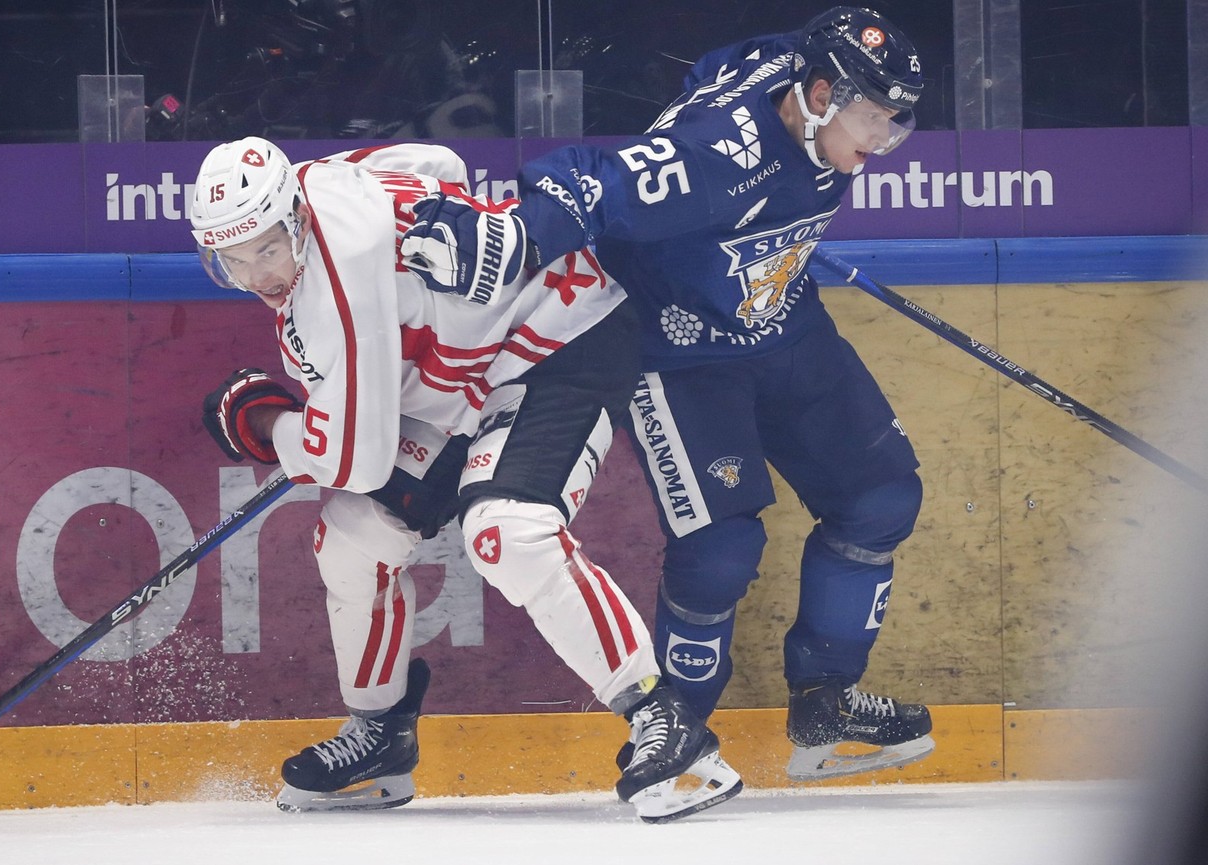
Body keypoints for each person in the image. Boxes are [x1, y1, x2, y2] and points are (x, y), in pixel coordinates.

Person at [399, 7, 934, 781]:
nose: (881, 142)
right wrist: (517, 230)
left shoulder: (795, 68)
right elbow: (593, 179)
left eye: (894, 124)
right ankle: (673, 728)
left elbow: (716, 64)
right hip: (680, 354)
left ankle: (827, 699)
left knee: (883, 498)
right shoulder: (720, 158)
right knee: (720, 550)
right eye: (871, 120)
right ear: (819, 94)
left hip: (782, 320)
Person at [187, 136, 743, 822]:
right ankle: (380, 732)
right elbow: (437, 162)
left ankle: (662, 714)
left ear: (295, 218)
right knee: (354, 538)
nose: (257, 275)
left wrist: (269, 427)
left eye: (268, 249)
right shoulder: (323, 180)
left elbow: (355, 456)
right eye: (232, 261)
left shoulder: (336, 288)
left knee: (507, 532)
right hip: (461, 380)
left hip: (558, 332)